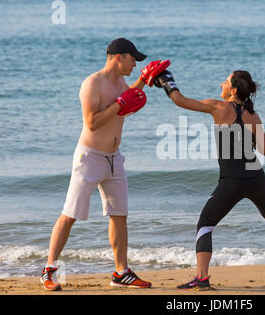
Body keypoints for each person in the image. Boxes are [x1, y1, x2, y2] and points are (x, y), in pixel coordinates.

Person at [154, 70, 265, 290]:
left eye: (226, 81)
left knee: (205, 226)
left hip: (231, 180)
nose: (221, 83)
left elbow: (180, 101)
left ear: (234, 90)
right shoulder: (252, 115)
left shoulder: (219, 107)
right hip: (256, 178)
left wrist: (166, 80)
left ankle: (202, 278)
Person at [40, 38, 170, 291]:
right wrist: (119, 105)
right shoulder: (92, 83)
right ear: (119, 57)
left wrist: (143, 80)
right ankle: (49, 270)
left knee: (120, 215)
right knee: (70, 215)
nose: (135, 64)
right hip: (89, 158)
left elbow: (127, 96)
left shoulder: (120, 82)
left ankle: (121, 272)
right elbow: (92, 122)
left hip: (114, 159)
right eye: (134, 60)